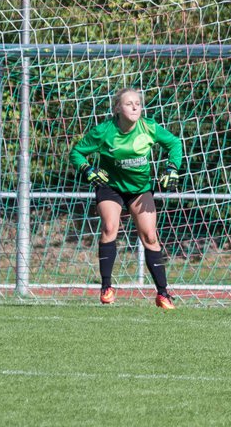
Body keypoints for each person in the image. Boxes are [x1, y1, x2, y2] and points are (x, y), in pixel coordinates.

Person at [69, 87, 184, 310]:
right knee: (110, 227)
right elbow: (77, 152)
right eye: (129, 103)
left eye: (137, 103)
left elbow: (174, 143)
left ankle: (163, 294)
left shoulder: (149, 127)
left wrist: (172, 168)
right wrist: (87, 169)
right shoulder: (104, 131)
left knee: (150, 237)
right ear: (117, 108)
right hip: (110, 187)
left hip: (140, 189)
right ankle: (106, 287)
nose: (134, 107)